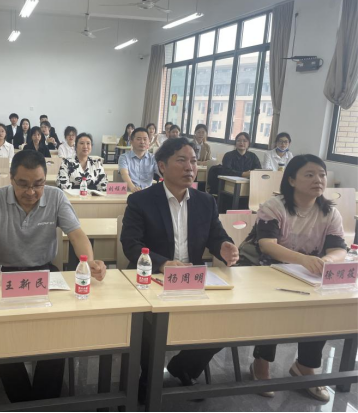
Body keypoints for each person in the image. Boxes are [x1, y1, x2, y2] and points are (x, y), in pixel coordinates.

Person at [0, 150, 107, 403]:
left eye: (38, 184)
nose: (31, 192)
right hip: (4, 274)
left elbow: (77, 235)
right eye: (23, 184)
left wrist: (88, 261)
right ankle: (22, 401)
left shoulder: (55, 197)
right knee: (2, 335)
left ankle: (45, 401)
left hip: (45, 273)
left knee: (57, 330)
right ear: (11, 178)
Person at [120, 137, 239, 402]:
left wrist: (225, 246)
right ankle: (147, 377)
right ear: (162, 166)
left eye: (194, 161)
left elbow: (216, 236)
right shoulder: (141, 201)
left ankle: (184, 367)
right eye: (182, 160)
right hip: (151, 279)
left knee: (226, 321)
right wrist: (163, 264)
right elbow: (131, 244)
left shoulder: (206, 201)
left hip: (190, 280)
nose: (190, 167)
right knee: (148, 325)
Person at [239, 155, 346, 403]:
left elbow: (338, 248)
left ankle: (305, 367)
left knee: (323, 304)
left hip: (305, 273)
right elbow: (267, 245)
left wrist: (327, 261)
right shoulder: (274, 206)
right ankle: (261, 363)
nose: (318, 180)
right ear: (291, 180)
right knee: (277, 305)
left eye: (322, 174)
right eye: (309, 175)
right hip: (265, 268)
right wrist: (303, 260)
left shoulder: (329, 212)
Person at [118, 128, 160, 192]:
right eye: (138, 139)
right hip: (130, 192)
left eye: (145, 139)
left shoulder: (153, 158)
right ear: (131, 141)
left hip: (147, 193)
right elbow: (124, 174)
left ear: (149, 141)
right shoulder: (124, 157)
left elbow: (161, 172)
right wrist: (133, 188)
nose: (142, 142)